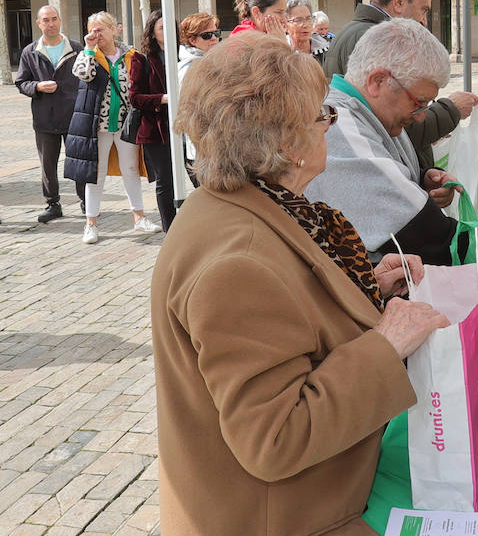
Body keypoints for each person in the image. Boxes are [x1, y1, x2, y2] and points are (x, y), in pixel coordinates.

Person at [153, 31, 450, 535]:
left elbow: (289, 311)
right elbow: (275, 438)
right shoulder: (237, 264)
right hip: (287, 516)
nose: (330, 126)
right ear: (287, 143)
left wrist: (365, 290)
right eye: (322, 116)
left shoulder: (247, 200)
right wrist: (384, 344)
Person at [306, 19, 466, 266]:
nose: (422, 115)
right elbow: (424, 234)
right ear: (378, 81)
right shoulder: (337, 123)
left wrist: (421, 179)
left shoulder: (371, 112)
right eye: (418, 102)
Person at [324, 0, 477, 171]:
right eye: (423, 9)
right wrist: (451, 109)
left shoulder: (357, 32)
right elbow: (399, 124)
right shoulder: (374, 38)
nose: (424, 21)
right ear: (400, 1)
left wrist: (423, 176)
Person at [65, 11, 158, 243]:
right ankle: (91, 224)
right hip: (98, 125)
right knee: (95, 174)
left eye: (101, 30)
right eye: (92, 30)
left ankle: (139, 217)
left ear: (114, 30)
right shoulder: (90, 55)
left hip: (126, 124)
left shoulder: (131, 55)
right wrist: (88, 49)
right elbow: (82, 74)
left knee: (131, 170)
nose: (96, 34)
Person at [17, 5, 86, 223]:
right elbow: (21, 82)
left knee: (78, 162)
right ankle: (53, 204)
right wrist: (37, 87)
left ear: (60, 20)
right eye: (45, 20)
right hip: (45, 118)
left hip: (74, 116)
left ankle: (87, 201)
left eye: (54, 19)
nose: (51, 23)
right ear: (39, 23)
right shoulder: (30, 52)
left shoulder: (77, 48)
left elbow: (87, 78)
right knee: (48, 164)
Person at [129, 11, 176, 231]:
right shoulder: (142, 58)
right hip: (156, 128)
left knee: (196, 177)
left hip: (183, 125)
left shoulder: (183, 53)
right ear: (152, 32)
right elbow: (135, 98)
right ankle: (170, 228)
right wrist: (163, 99)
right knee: (165, 180)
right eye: (161, 28)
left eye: (170, 26)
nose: (167, 32)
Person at [177, 12, 220, 186]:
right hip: (202, 146)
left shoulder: (215, 60)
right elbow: (189, 108)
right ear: (192, 40)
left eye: (216, 33)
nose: (214, 39)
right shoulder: (188, 67)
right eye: (207, 35)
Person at [285, 0, 324, 64]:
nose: (305, 25)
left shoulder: (326, 49)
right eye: (298, 20)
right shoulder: (281, 53)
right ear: (285, 25)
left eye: (308, 19)